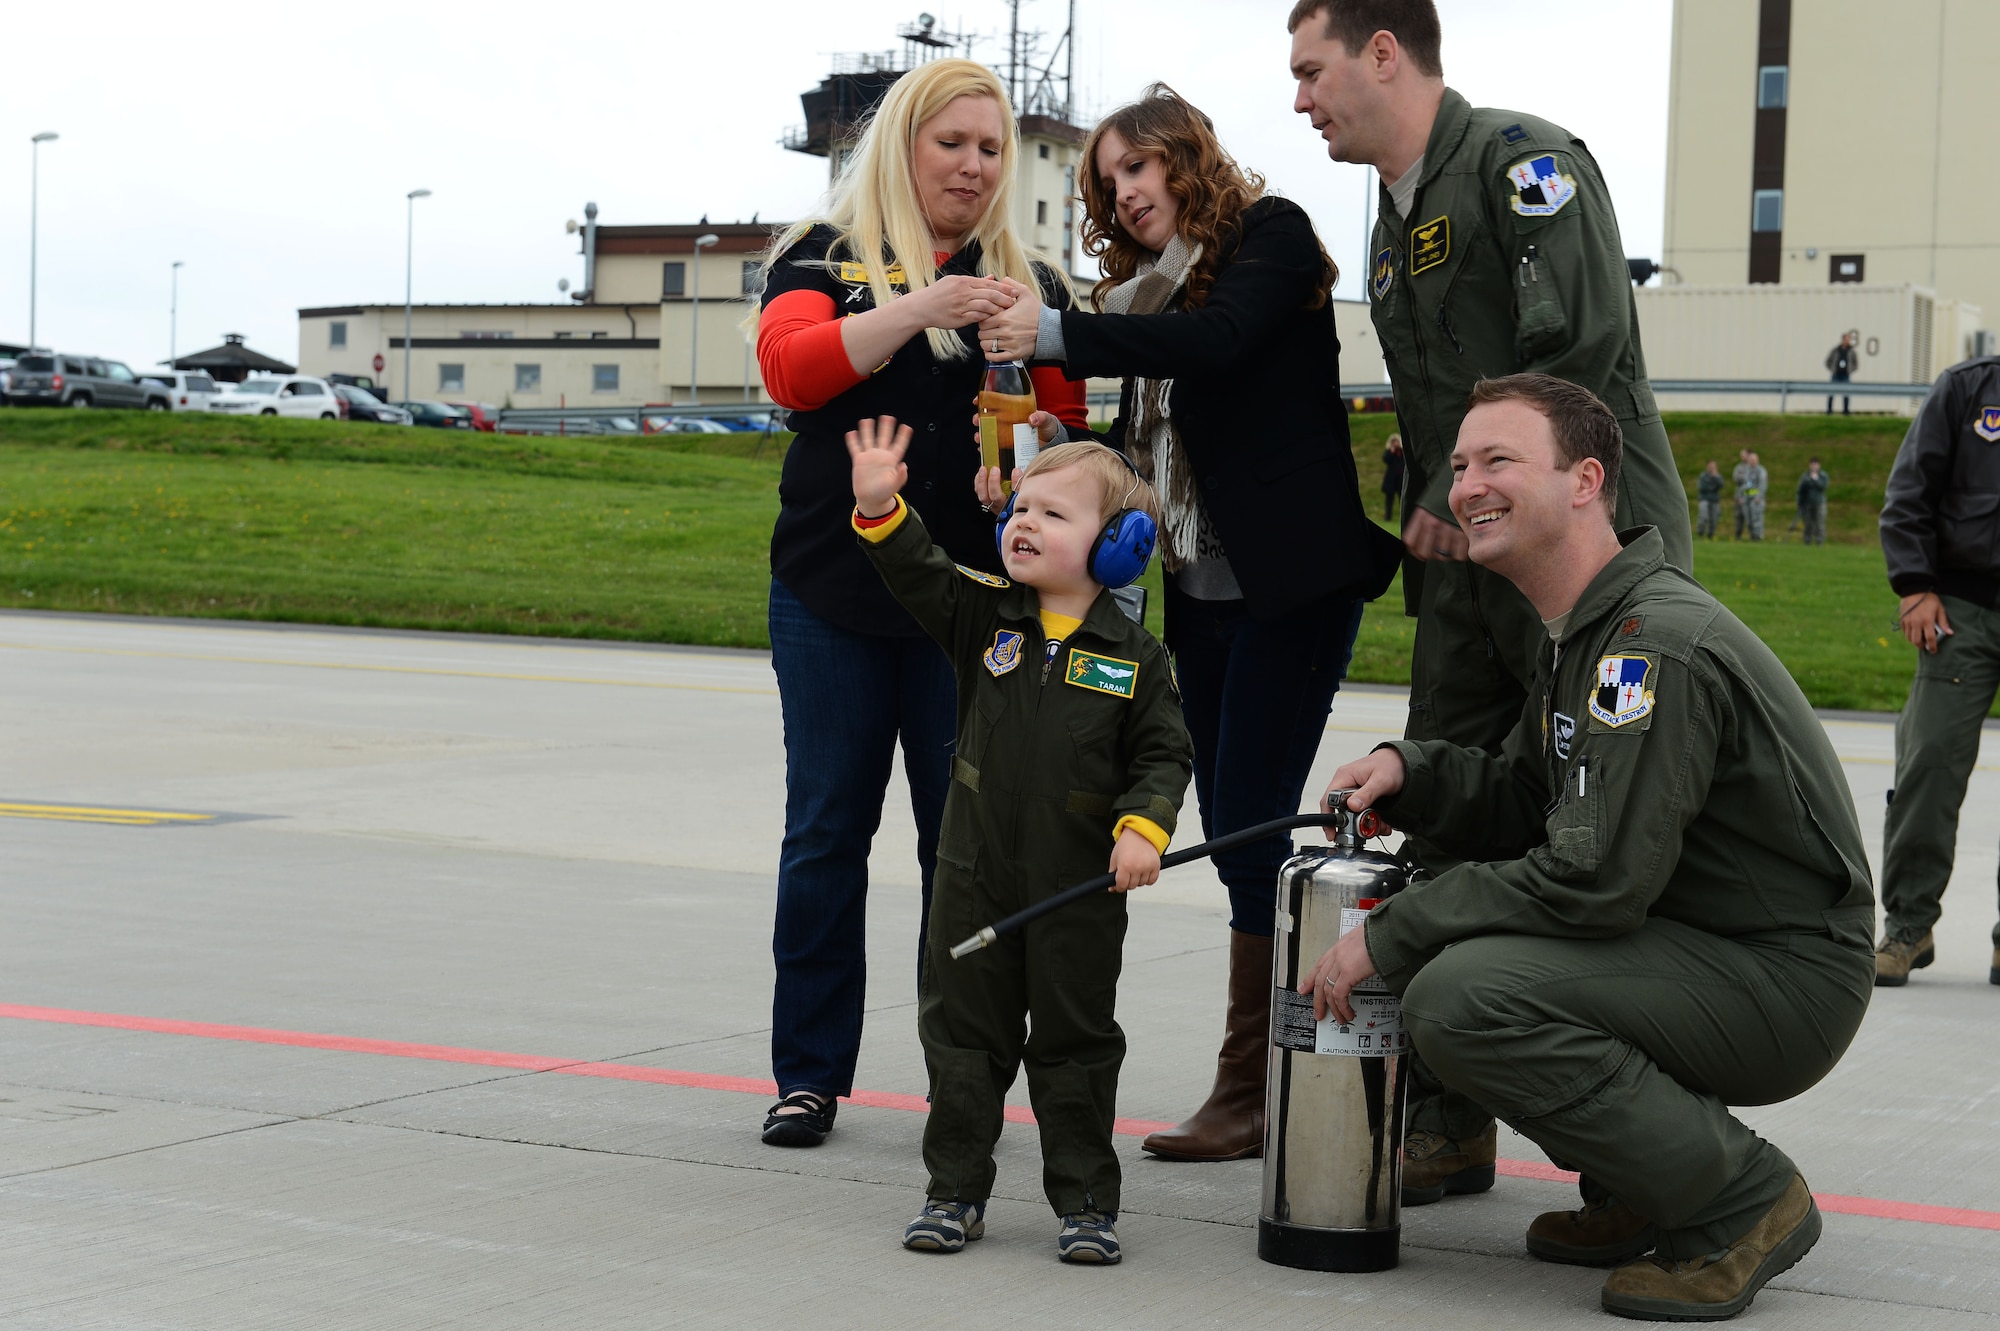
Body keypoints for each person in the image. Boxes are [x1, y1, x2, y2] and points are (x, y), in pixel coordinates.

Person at [1306, 374, 1874, 1322]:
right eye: (1457, 466)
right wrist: (1414, 769)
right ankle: (1645, 1186)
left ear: (1585, 480)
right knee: (1467, 962)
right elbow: (1540, 801)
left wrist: (1394, 933)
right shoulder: (1586, 630)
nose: (1466, 487)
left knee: (1460, 994)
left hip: (1785, 978)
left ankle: (1738, 1201)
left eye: (1499, 461)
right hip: (1709, 943)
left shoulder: (1648, 647)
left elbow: (1594, 877)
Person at [1286, 0, 1696, 1203]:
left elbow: (1570, 368)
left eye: (1311, 71)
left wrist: (1459, 488)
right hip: (1466, 569)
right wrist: (1432, 499)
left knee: (1609, 831)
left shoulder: (1524, 169)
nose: (1301, 99)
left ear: (1380, 52)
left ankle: (1639, 1160)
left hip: (1582, 554)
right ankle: (1450, 1117)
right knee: (1448, 804)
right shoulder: (1385, 223)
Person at [974, 82, 1401, 1163]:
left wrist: (1062, 327)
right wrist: (1034, 483)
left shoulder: (1271, 239)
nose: (1122, 195)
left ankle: (1250, 1079)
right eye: (1106, 182)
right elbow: (1145, 445)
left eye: (1136, 168)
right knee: (1234, 821)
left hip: (1285, 587)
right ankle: (1264, 1070)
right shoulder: (1146, 294)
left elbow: (1215, 346)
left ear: (1183, 158)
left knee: (1252, 821)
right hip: (1197, 593)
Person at [748, 58, 1089, 1148]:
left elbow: (1075, 432)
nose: (975, 166)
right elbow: (790, 371)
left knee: (967, 847)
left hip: (975, 610)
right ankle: (807, 1072)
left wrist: (1029, 461)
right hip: (833, 595)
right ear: (903, 146)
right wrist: (920, 307)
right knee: (824, 834)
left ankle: (965, 1071)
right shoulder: (823, 256)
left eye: (992, 149)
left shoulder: (1027, 276)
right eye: (953, 144)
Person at [848, 423, 1194, 1264]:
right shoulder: (985, 618)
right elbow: (921, 574)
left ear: (1117, 547)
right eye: (1022, 507)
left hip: (1077, 891)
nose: (1026, 523)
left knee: (1074, 1046)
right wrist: (879, 506)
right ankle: (954, 1191)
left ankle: (1083, 1202)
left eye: (1056, 513)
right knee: (963, 1039)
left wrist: (1142, 827)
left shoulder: (1134, 657)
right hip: (973, 879)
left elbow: (1164, 753)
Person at [1876, 353, 2000, 987]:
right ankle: (1907, 927)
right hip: (1961, 610)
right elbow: (1909, 491)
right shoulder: (1969, 387)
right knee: (1928, 766)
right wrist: (1916, 585)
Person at [1796, 458, 1829, 545]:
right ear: (1809, 465)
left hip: (1819, 503)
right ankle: (1807, 541)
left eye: (1816, 464)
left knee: (1819, 524)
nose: (1814, 466)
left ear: (1819, 465)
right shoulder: (1805, 476)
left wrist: (1815, 479)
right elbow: (1800, 489)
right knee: (1808, 524)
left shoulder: (1823, 475)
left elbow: (1823, 487)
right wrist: (1799, 502)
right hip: (1807, 504)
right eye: (1812, 464)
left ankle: (1819, 542)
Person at [1737, 450, 1769, 541]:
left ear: (1757, 460)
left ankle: (1758, 536)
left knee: (1757, 518)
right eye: (1751, 459)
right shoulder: (1746, 471)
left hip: (1756, 500)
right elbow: (1744, 486)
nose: (1752, 461)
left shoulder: (1761, 471)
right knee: (1748, 519)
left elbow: (1762, 486)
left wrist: (1758, 496)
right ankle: (1752, 535)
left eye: (1754, 459)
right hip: (1746, 499)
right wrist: (1741, 496)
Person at [1826, 332, 1859, 415]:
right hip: (1836, 374)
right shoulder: (1836, 350)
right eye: (1847, 339)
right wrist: (1832, 369)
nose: (1848, 341)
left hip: (1845, 374)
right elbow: (1828, 361)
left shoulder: (1851, 351)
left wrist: (1850, 370)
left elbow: (1855, 363)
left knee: (1846, 393)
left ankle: (1846, 411)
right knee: (1831, 392)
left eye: (1849, 339)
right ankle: (1829, 411)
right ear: (1843, 340)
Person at [1383, 432, 1407, 521]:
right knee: (1389, 500)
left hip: (1400, 479)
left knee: (1402, 499)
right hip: (1391, 480)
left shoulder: (1402, 452)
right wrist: (1391, 451)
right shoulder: (1389, 452)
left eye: (1396, 441)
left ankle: (1404, 517)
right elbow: (1385, 460)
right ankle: (1387, 517)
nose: (1395, 443)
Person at [1696, 460, 1723, 540]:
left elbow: (1721, 485)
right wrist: (1713, 488)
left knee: (1714, 519)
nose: (1712, 468)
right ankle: (1700, 533)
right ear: (1707, 467)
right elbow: (1702, 487)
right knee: (1703, 517)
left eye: (1713, 467)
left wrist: (1716, 477)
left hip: (1715, 500)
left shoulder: (1717, 476)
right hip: (1704, 499)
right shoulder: (1703, 476)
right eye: (1710, 467)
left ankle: (1710, 535)